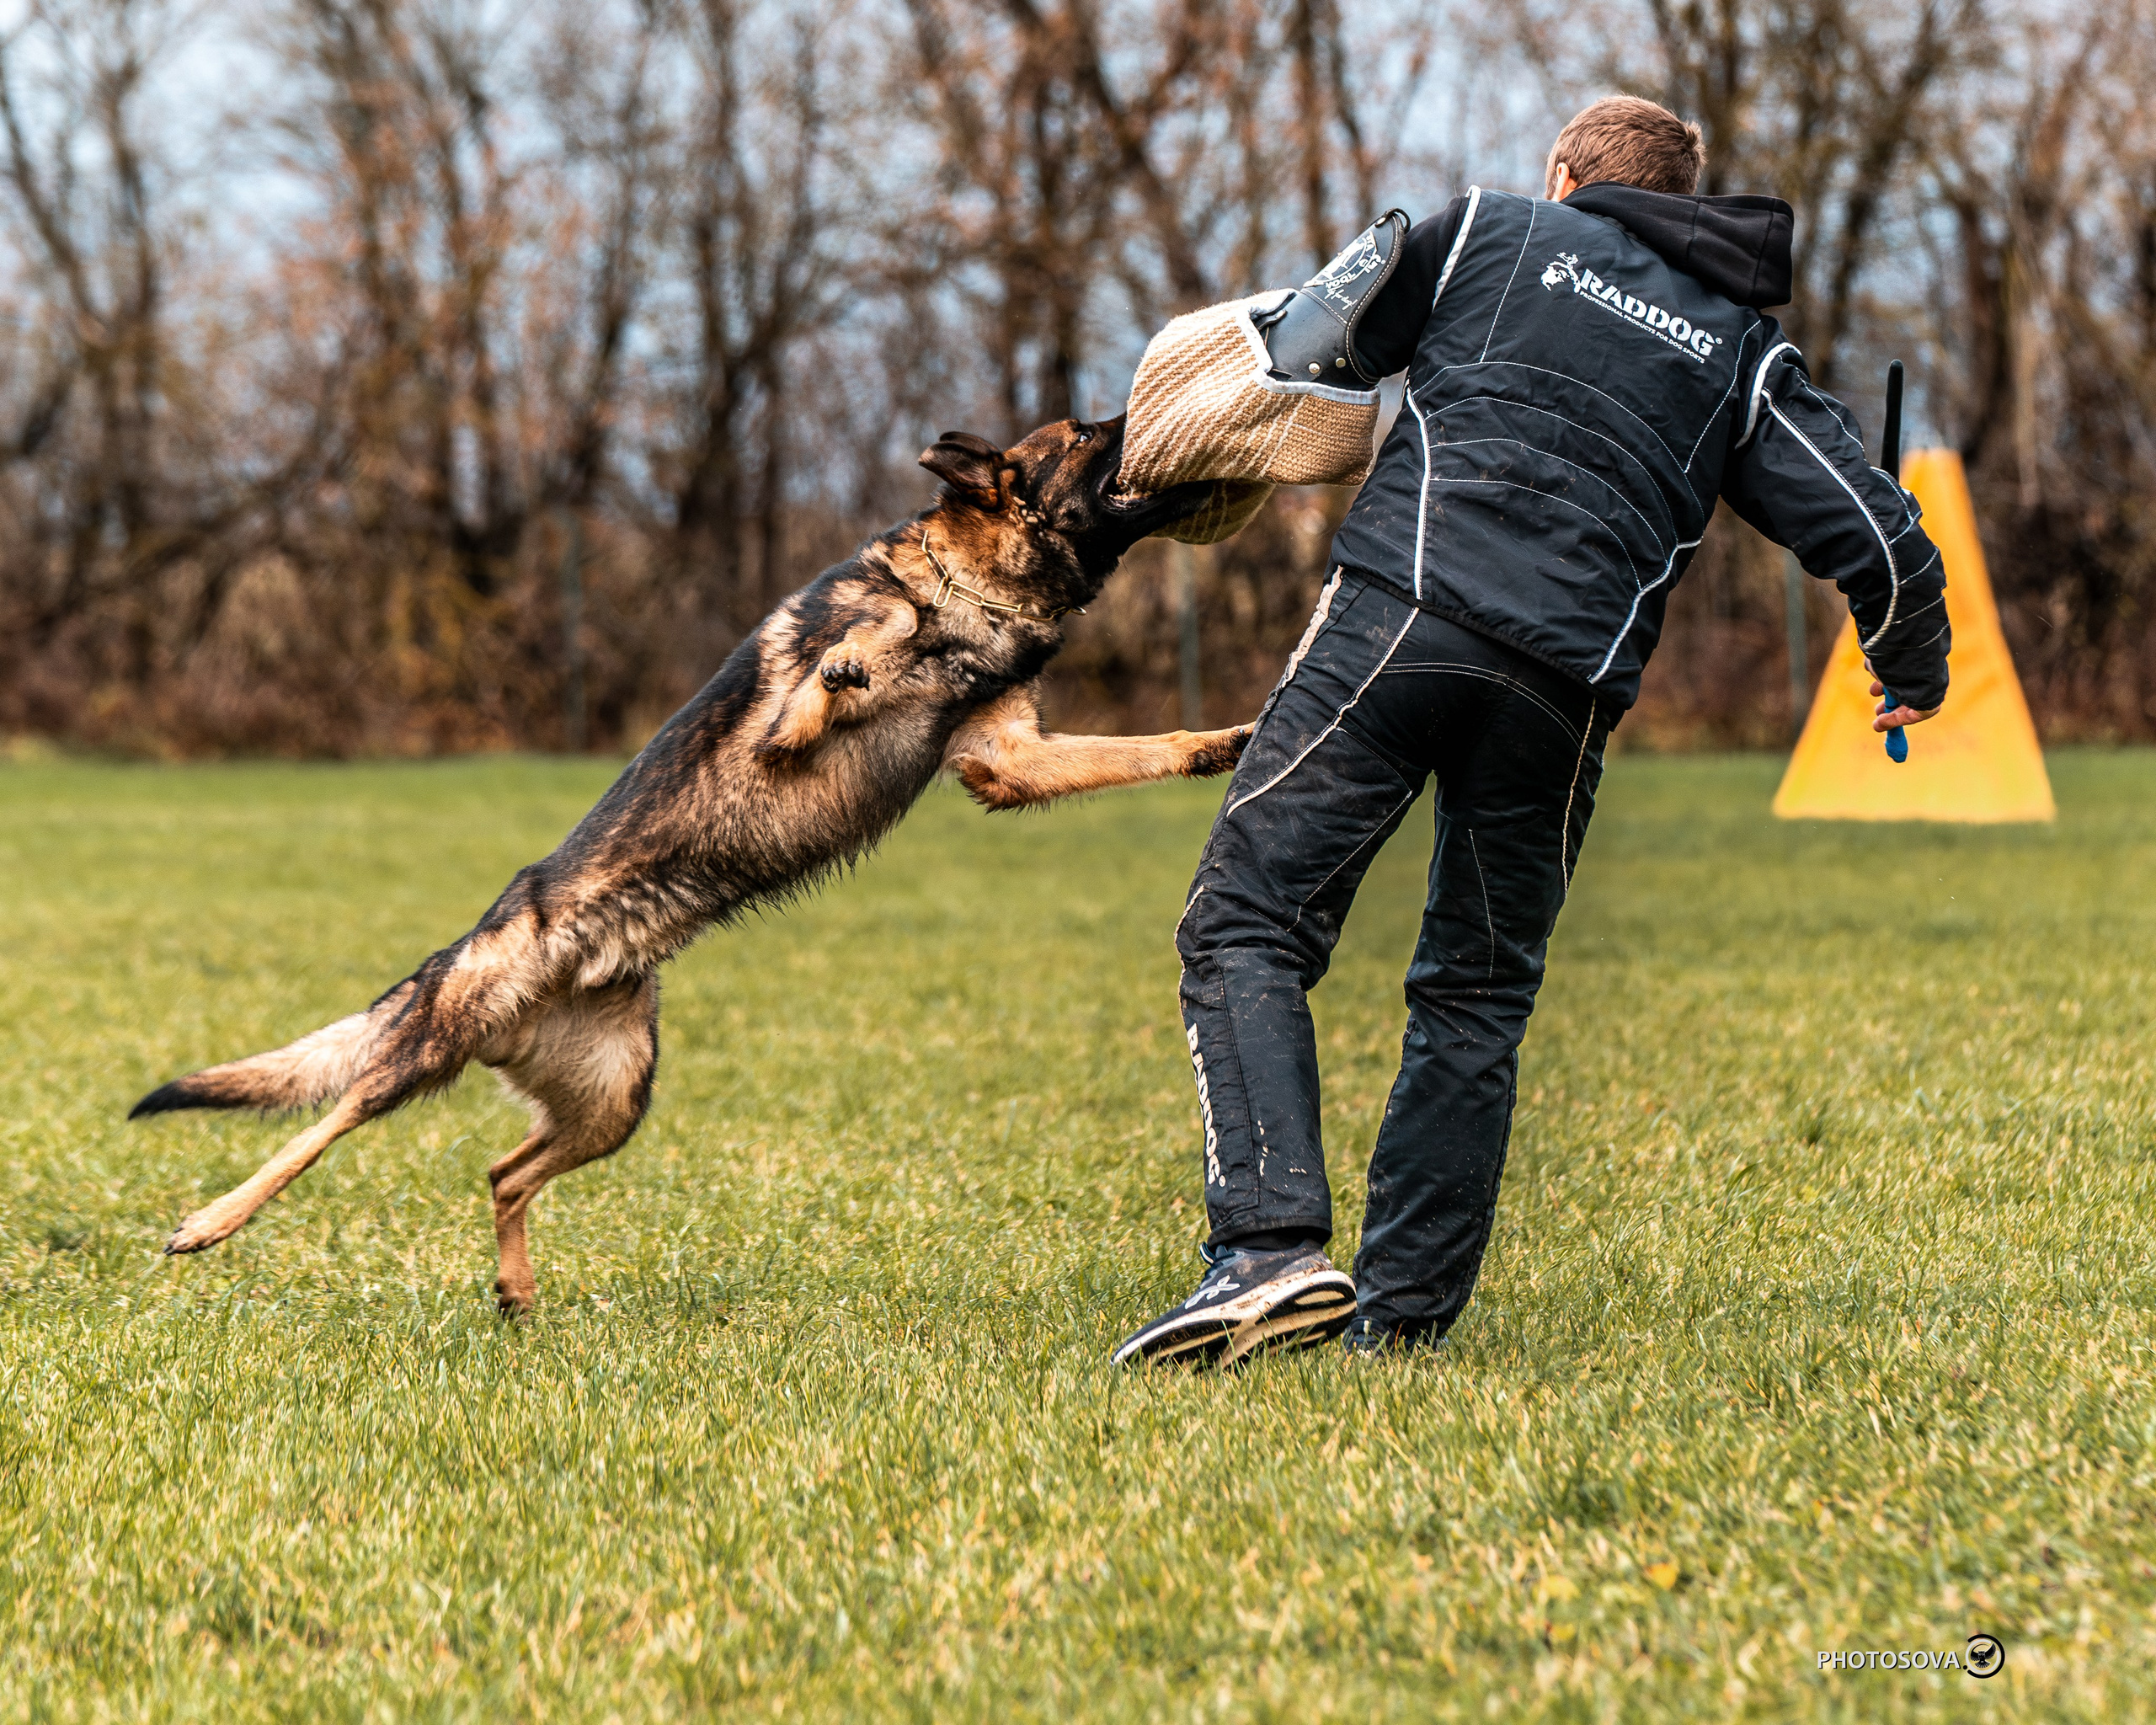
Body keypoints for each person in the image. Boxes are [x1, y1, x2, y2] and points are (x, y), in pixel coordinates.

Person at [1114, 95, 1951, 1369]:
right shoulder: (1739, 349)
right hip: (1565, 695)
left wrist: (1161, 465)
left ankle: (1270, 1250)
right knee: (1478, 994)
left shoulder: (1481, 233)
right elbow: (1880, 533)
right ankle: (1399, 1324)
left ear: (1565, 173)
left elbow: (1297, 346)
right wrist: (1910, 671)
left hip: (1401, 621)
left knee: (1247, 919)